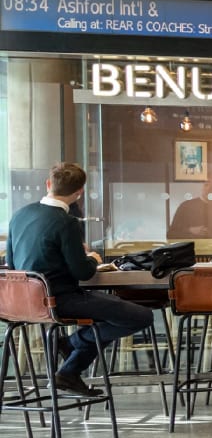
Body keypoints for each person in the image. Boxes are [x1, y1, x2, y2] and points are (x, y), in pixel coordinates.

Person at [7, 162, 153, 396]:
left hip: (22, 303)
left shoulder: (20, 215)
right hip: (60, 300)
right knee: (140, 316)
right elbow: (83, 273)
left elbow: (13, 266)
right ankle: (72, 348)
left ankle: (70, 369)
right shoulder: (66, 223)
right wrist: (92, 258)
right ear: (79, 193)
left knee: (106, 318)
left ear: (48, 184)